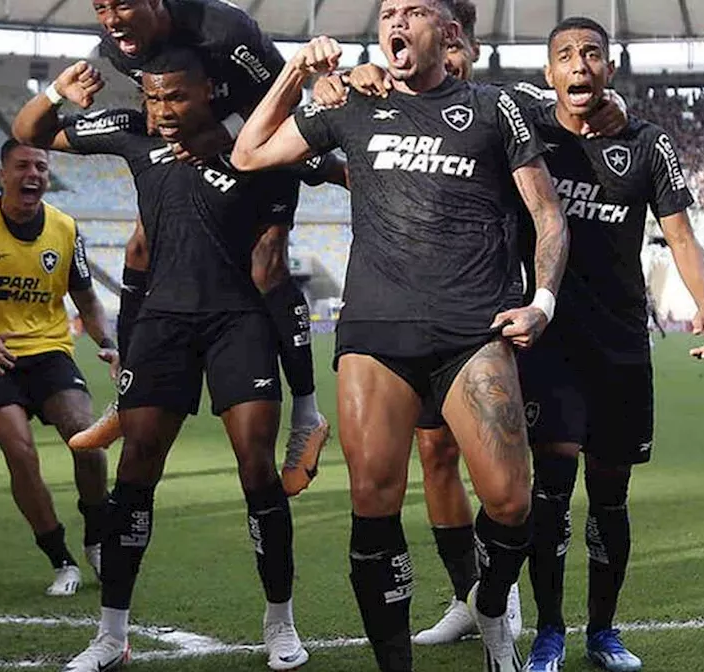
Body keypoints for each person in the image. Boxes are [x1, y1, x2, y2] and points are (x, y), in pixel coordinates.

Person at [231, 1, 572, 668]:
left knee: (509, 500)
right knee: (374, 503)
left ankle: (492, 604)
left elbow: (548, 215)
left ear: (446, 33)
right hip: (376, 333)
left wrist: (545, 303)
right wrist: (299, 67)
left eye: (413, 10)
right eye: (387, 9)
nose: (395, 19)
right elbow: (248, 153)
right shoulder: (354, 102)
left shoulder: (491, 106)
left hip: (474, 331)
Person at [15, 49, 318, 672]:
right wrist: (57, 91)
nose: (161, 112)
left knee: (257, 470)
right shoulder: (132, 132)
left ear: (210, 92)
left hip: (240, 323)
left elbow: (273, 270)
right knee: (136, 472)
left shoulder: (258, 153)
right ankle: (111, 635)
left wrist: (305, 396)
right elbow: (29, 135)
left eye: (175, 98)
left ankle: (280, 622)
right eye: (153, 98)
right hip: (163, 324)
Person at [504, 18, 704, 672]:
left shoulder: (648, 143)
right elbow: (485, 94)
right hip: (553, 338)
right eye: (565, 56)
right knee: (553, 482)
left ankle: (603, 632)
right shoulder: (530, 135)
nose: (580, 65)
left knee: (609, 494)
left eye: (592, 54)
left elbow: (681, 236)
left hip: (623, 343)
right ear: (550, 74)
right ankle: (549, 630)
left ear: (610, 67)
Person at [71, 0, 330, 500]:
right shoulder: (119, 47)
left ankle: (307, 413)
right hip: (187, 147)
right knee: (142, 246)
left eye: (122, 5)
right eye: (100, 7)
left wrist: (226, 133)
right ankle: (126, 394)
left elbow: (287, 97)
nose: (111, 20)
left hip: (258, 145)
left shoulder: (226, 30)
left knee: (266, 265)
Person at [0, 138, 114, 597]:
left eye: (41, 167)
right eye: (22, 166)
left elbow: (87, 299)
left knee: (87, 439)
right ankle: (60, 559)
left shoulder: (66, 228)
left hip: (49, 348)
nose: (33, 175)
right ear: (3, 174)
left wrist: (108, 343)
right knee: (21, 451)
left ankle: (96, 537)